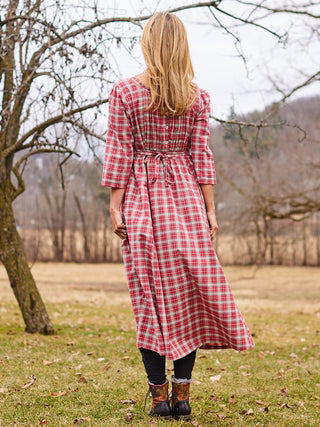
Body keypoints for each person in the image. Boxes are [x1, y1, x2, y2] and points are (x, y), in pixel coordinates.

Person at [101, 11, 254, 422]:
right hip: (185, 199)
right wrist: (209, 208)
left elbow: (120, 150)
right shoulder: (197, 96)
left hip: (142, 200)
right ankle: (182, 397)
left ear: (148, 43)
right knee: (186, 296)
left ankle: (158, 399)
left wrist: (115, 205)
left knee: (149, 297)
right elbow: (200, 155)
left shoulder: (125, 92)